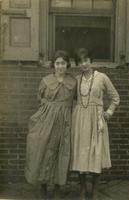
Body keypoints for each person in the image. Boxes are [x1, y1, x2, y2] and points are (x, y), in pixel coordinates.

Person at [25, 50, 76, 199]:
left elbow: (76, 101)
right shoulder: (46, 81)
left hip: (65, 122)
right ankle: (42, 186)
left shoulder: (73, 82)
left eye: (63, 63)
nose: (60, 66)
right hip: (47, 121)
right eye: (57, 63)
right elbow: (39, 98)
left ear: (67, 65)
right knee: (43, 151)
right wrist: (50, 109)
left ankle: (59, 187)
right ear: (53, 65)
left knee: (62, 152)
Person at [70, 48, 120, 199]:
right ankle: (83, 189)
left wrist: (108, 112)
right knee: (80, 153)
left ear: (91, 61)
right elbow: (72, 99)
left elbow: (115, 97)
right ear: (78, 64)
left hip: (96, 120)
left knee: (96, 152)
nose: (84, 64)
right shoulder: (76, 80)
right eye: (80, 61)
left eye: (86, 60)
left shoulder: (102, 77)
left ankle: (95, 189)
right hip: (80, 120)